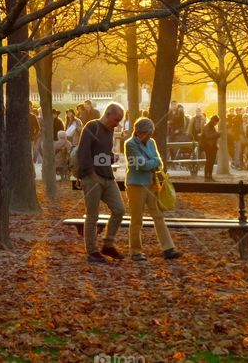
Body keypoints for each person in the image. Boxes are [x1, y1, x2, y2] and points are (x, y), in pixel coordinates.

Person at [125, 117, 181, 261]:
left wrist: (153, 162)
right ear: (139, 132)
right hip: (136, 185)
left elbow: (159, 162)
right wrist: (153, 161)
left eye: (150, 134)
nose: (149, 137)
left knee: (158, 216)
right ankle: (135, 251)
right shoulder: (130, 144)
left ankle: (168, 248)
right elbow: (141, 165)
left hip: (151, 183)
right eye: (147, 134)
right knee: (137, 219)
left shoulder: (151, 142)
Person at [77, 102, 127, 264]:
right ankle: (92, 251)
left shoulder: (110, 131)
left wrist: (111, 157)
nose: (118, 123)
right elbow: (83, 151)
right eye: (116, 119)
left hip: (107, 176)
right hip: (92, 177)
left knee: (119, 210)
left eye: (120, 120)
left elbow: (102, 153)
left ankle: (108, 245)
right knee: (93, 215)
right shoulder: (92, 127)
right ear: (108, 114)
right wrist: (90, 173)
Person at [199, 114, 221, 181]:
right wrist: (217, 134)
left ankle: (209, 176)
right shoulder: (207, 127)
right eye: (216, 122)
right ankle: (207, 176)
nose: (216, 123)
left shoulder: (211, 127)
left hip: (212, 147)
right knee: (209, 161)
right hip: (209, 147)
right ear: (214, 121)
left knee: (211, 161)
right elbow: (208, 136)